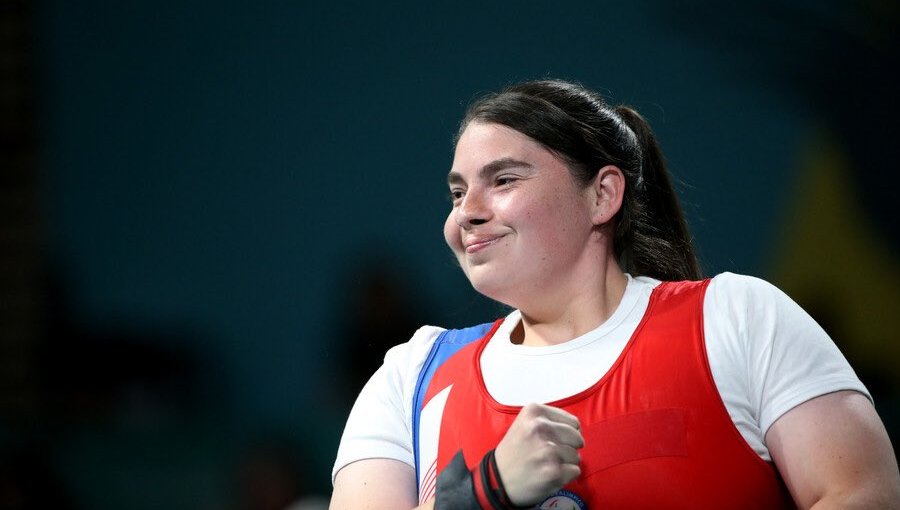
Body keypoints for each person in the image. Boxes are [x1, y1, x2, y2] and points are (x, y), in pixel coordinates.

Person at [329, 79, 900, 509]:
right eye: (457, 193)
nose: (467, 214)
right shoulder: (411, 377)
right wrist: (485, 491)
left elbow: (862, 492)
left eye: (502, 180)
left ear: (602, 195)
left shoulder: (738, 319)